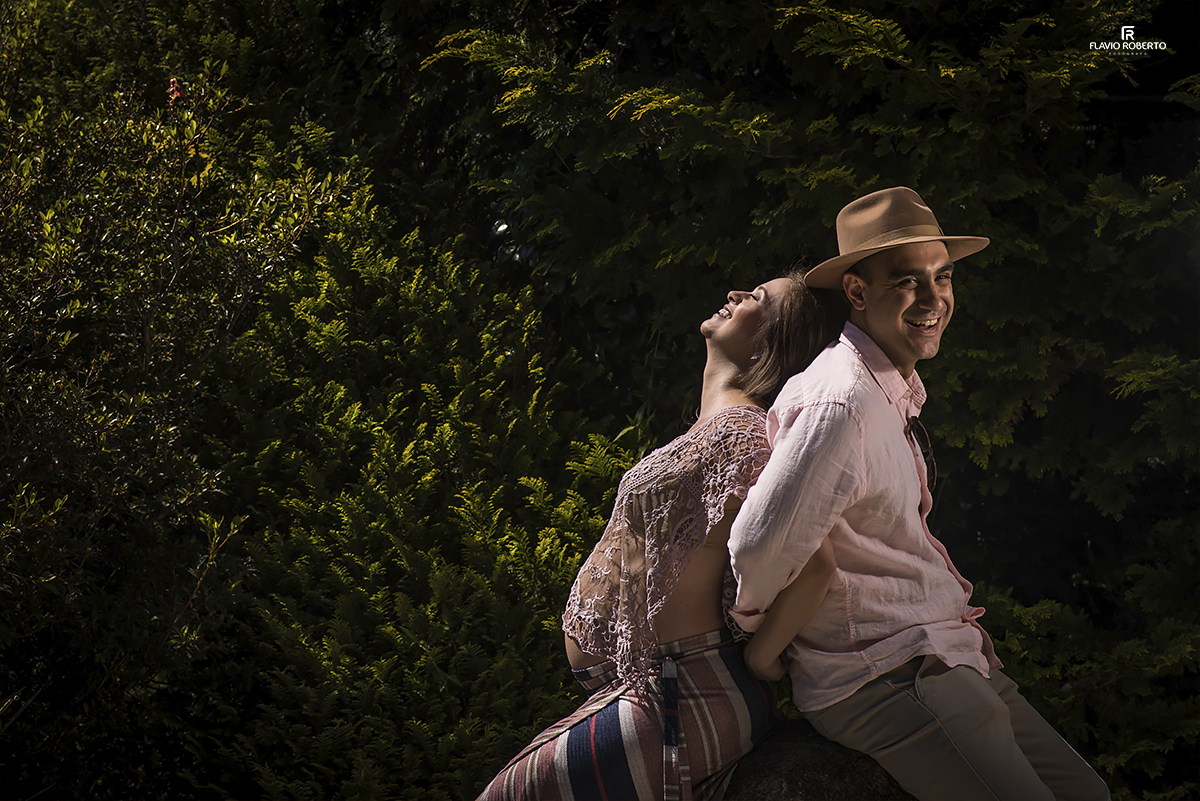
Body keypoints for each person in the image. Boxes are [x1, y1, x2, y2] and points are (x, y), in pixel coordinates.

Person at [727, 187, 1111, 801]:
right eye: (908, 282)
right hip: (883, 674)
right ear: (857, 291)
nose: (934, 300)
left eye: (944, 277)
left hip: (942, 652)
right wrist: (763, 641)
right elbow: (759, 544)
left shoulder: (888, 387)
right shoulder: (841, 401)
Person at [478, 273, 846, 801]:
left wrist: (765, 658)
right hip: (658, 690)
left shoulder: (742, 435)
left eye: (757, 299)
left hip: (682, 693)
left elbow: (816, 563)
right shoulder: (718, 428)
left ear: (773, 341)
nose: (735, 294)